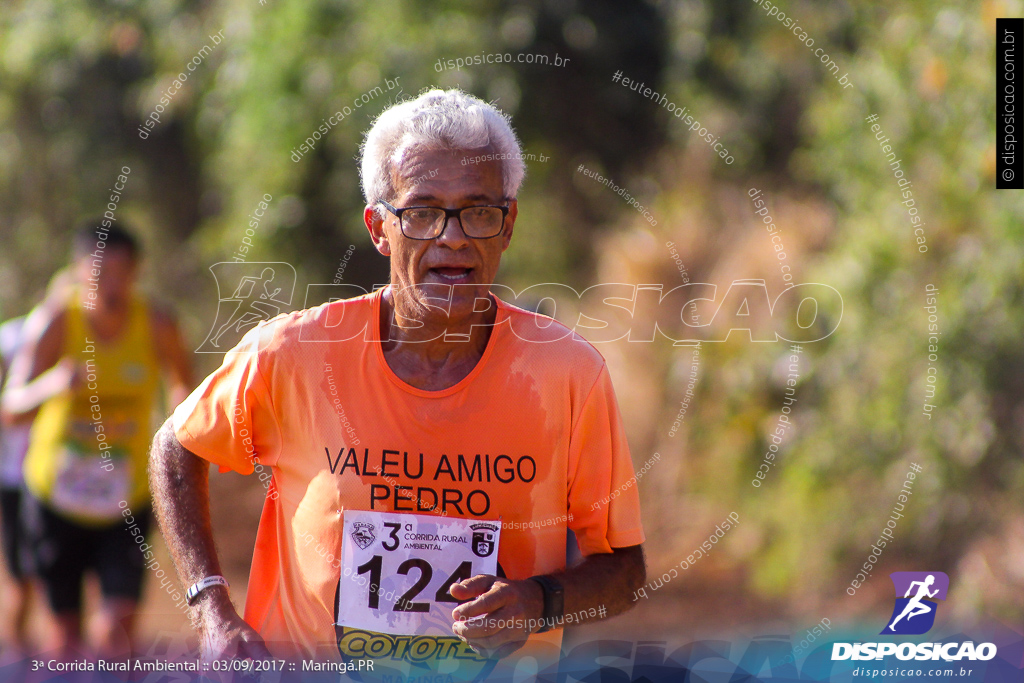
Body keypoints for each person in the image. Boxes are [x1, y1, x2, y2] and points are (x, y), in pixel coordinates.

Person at [151, 89, 646, 675]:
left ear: (508, 225)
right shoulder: (293, 354)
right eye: (422, 211)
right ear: (380, 228)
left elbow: (623, 569)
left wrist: (537, 603)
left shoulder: (567, 372)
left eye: (479, 211)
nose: (453, 237)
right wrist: (211, 606)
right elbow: (176, 447)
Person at [1, 222, 192, 656]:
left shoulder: (158, 322)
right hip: (55, 498)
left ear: (137, 272)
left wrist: (179, 433)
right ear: (78, 270)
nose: (110, 284)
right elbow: (11, 407)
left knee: (116, 633)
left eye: (121, 273)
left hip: (126, 497)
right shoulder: (54, 321)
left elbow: (186, 389)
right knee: (65, 638)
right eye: (99, 272)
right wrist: (51, 386)